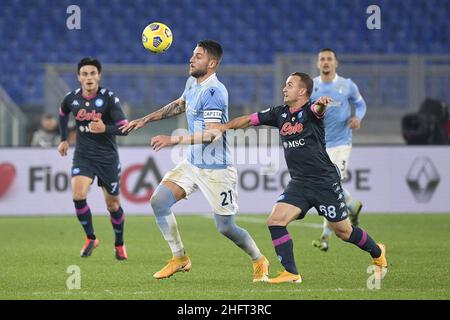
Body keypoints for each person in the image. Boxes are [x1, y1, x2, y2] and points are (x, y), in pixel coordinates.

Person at [207, 72, 386, 284]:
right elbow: (249, 119)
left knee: (344, 232)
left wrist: (321, 104)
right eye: (285, 85)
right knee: (275, 221)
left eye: (289, 85)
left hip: (324, 182)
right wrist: (224, 127)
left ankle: (377, 252)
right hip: (299, 183)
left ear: (302, 91)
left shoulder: (311, 111)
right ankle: (291, 273)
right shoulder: (279, 113)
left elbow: (317, 110)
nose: (284, 89)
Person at [120, 40, 269, 281]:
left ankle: (259, 259)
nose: (191, 59)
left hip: (216, 169)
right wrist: (145, 120)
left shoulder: (215, 92)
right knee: (159, 201)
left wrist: (173, 139)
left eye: (198, 56)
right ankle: (179, 258)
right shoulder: (193, 82)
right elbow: (180, 105)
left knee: (226, 227)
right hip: (192, 163)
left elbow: (212, 133)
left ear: (212, 63)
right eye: (192, 55)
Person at [57, 57, 129, 260]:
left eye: (92, 73)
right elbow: (62, 113)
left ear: (99, 76)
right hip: (83, 156)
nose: (89, 77)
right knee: (78, 195)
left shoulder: (109, 98)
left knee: (112, 205)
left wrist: (105, 128)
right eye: (84, 74)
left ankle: (119, 244)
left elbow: (125, 128)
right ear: (78, 77)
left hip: (107, 158)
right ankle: (91, 238)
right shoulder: (71, 99)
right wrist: (63, 139)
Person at [310, 48, 367, 252]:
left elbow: (361, 105)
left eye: (329, 59)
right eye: (322, 59)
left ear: (336, 63)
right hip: (319, 145)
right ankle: (352, 206)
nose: (325, 62)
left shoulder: (347, 85)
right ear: (318, 64)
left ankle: (325, 237)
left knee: (329, 187)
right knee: (328, 188)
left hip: (341, 143)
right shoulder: (313, 86)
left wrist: (357, 117)